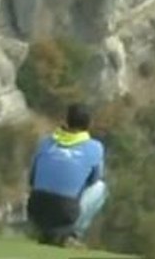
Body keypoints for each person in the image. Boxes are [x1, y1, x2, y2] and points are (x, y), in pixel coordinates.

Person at [26, 103, 108, 248]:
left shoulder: (46, 142)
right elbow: (94, 180)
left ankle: (45, 232)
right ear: (89, 124)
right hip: (66, 210)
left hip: (36, 209)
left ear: (66, 120)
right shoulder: (95, 147)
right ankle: (72, 234)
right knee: (100, 187)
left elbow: (31, 179)